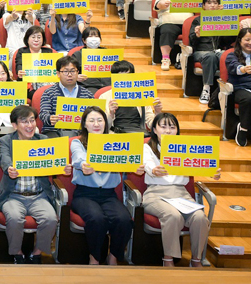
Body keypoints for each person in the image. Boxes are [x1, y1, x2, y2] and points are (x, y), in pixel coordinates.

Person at [143, 113, 221, 267]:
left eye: (172, 127)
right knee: (172, 216)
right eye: (163, 126)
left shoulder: (186, 148)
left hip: (181, 194)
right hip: (156, 193)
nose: (168, 131)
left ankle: (196, 259)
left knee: (200, 218)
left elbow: (201, 163)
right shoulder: (147, 147)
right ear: (154, 129)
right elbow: (147, 164)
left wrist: (212, 171)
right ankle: (168, 259)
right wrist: (154, 170)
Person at [0, 105, 71, 264]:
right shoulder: (6, 141)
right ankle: (17, 253)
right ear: (15, 125)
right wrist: (9, 168)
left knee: (51, 219)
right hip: (13, 196)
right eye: (24, 122)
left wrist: (62, 167)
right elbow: (4, 157)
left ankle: (36, 253)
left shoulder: (43, 140)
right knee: (15, 218)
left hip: (39, 195)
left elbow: (54, 162)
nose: (30, 125)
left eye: (32, 121)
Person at [70, 106, 138, 265]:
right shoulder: (77, 142)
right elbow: (78, 158)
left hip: (108, 195)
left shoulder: (115, 143)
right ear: (84, 124)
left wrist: (136, 165)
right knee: (96, 219)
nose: (96, 124)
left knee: (124, 219)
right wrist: (84, 165)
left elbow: (130, 159)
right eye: (91, 120)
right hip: (84, 194)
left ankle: (113, 257)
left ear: (105, 123)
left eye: (100, 120)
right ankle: (94, 257)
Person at [189, 0, 233, 104]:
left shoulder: (222, 19)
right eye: (209, 3)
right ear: (203, 6)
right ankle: (206, 89)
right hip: (201, 52)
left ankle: (228, 88)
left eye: (215, 3)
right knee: (210, 55)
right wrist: (197, 35)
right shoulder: (197, 20)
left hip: (218, 51)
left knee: (226, 55)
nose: (212, 5)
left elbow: (227, 41)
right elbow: (191, 41)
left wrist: (233, 29)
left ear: (219, 5)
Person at [39, 56, 95, 138]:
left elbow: (93, 115)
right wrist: (50, 118)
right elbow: (43, 113)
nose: (69, 75)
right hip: (54, 131)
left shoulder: (87, 95)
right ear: (58, 74)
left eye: (73, 71)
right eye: (65, 71)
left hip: (80, 132)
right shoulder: (49, 93)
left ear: (77, 72)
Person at [103, 60, 163, 134]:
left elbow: (151, 125)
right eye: (120, 76)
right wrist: (111, 114)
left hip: (138, 134)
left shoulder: (141, 95)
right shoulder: (104, 96)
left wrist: (157, 112)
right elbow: (103, 128)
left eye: (128, 76)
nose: (124, 80)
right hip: (114, 134)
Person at [154, 0, 192, 71]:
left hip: (188, 24)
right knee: (167, 30)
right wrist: (163, 4)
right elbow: (159, 4)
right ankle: (166, 58)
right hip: (171, 23)